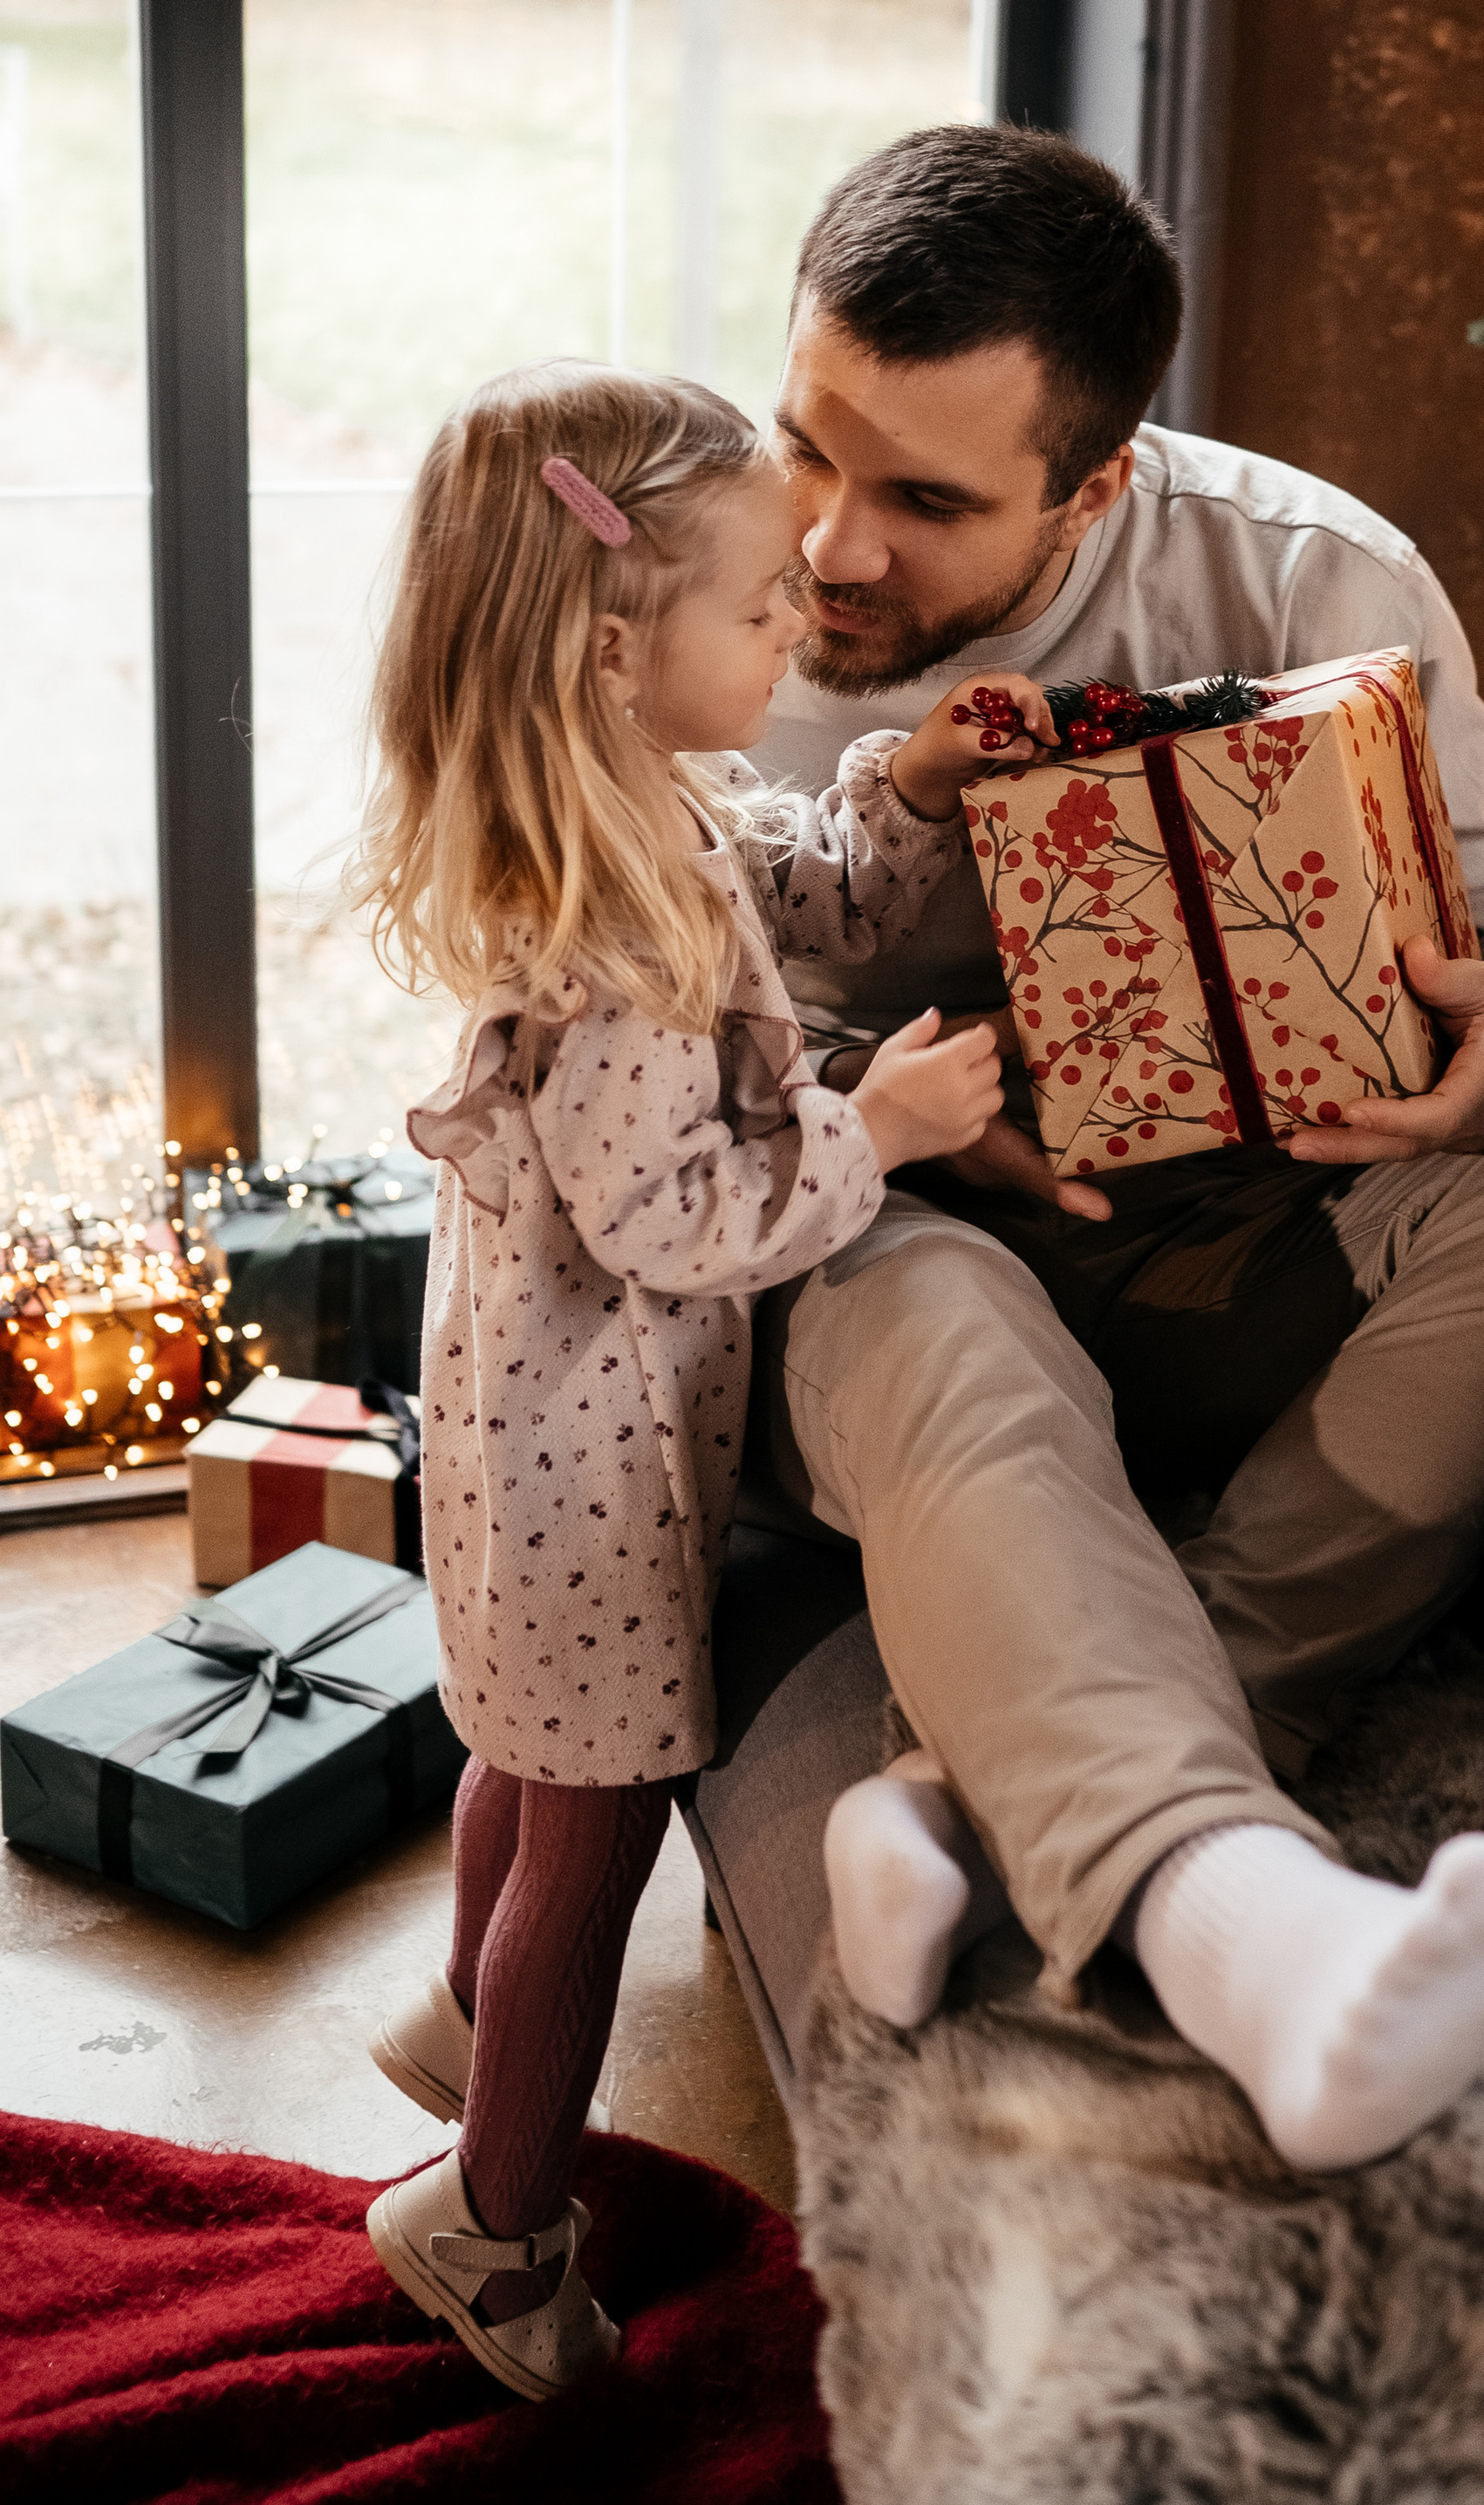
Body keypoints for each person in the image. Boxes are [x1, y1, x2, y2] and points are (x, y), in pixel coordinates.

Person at [753, 122, 1484, 2176]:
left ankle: (962, 1805)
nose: (828, 549)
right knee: (931, 1285)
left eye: (923, 500)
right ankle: (1228, 1898)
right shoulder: (709, 596)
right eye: (811, 442)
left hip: (1233, 1227)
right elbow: (638, 1044)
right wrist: (902, 1118)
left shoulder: (1309, 572)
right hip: (874, 1230)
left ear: (1095, 488)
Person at [348, 360, 1057, 2398]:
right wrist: (887, 1131)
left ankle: (463, 2024)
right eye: (756, 610)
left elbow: (794, 888)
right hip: (587, 1452)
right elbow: (676, 1218)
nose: (796, 628)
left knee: (515, 1748)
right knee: (598, 1807)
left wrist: (909, 792)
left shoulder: (632, 822)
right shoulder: (613, 923)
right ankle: (490, 2225)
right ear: (608, 651)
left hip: (519, 1425)